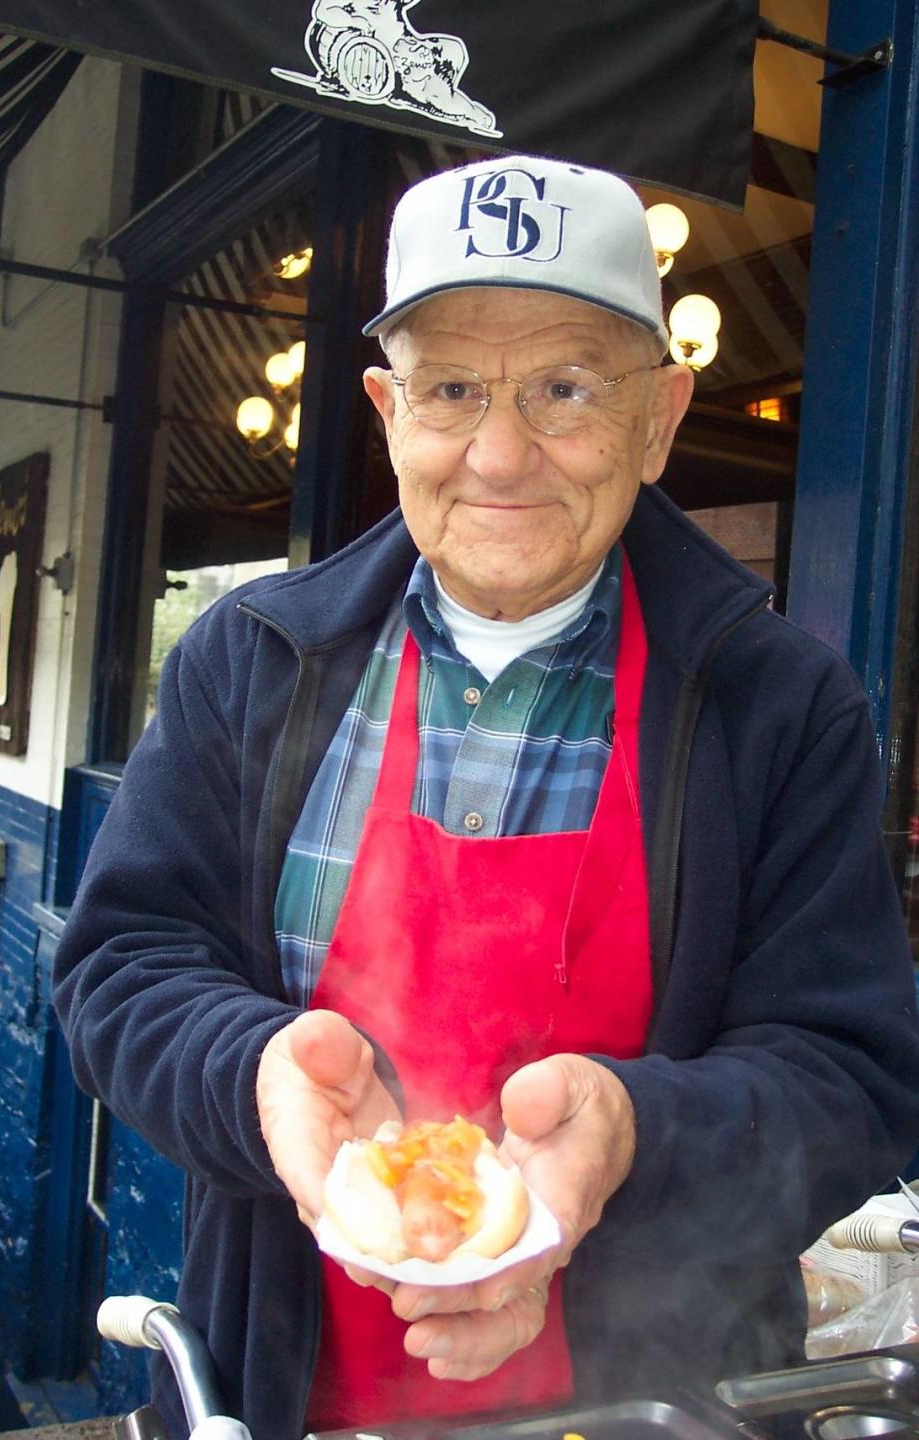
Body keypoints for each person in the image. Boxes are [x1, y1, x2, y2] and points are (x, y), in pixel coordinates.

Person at [53, 155, 919, 1440]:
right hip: (287, 1388)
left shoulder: (780, 702)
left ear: (660, 417)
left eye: (565, 388)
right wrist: (257, 1071)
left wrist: (633, 1134)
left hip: (659, 1398)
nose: (499, 454)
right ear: (386, 409)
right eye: (452, 388)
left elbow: (853, 1078)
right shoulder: (251, 660)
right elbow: (121, 967)